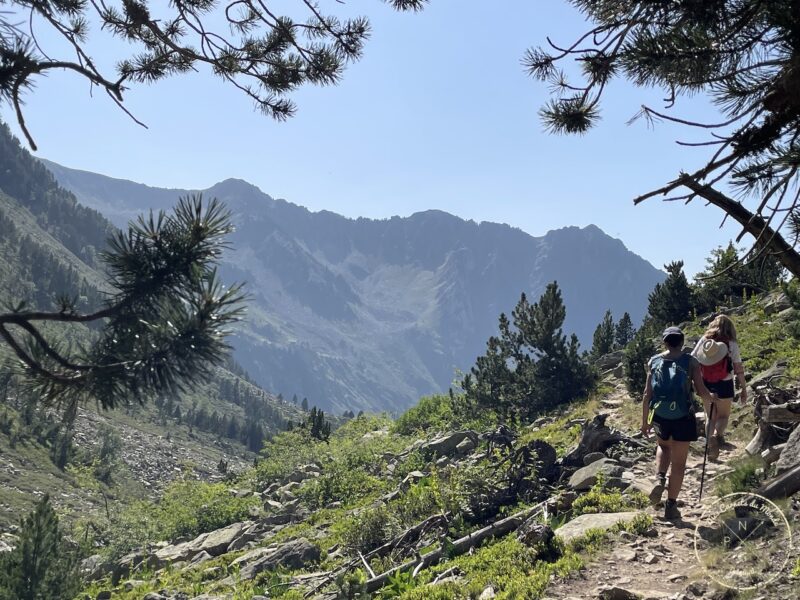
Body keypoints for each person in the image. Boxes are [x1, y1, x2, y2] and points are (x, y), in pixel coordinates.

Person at [642, 326, 717, 520]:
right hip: (683, 415)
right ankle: (671, 506)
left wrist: (645, 422)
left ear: (665, 342)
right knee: (679, 463)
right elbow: (700, 391)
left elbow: (647, 394)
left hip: (659, 414)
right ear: (682, 342)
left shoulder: (654, 361)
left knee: (663, 446)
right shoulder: (691, 361)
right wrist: (712, 399)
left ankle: (659, 477)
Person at [691, 314, 747, 460]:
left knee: (710, 416)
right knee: (723, 416)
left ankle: (710, 443)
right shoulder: (731, 343)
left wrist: (694, 381)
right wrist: (744, 388)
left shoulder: (705, 340)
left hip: (705, 383)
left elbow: (692, 358)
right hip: (725, 383)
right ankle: (717, 436)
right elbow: (738, 368)